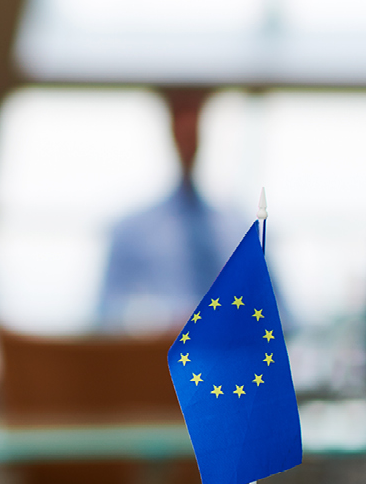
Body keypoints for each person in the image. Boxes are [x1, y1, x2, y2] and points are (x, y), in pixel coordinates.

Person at [98, 88, 252, 334]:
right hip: (152, 361)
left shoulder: (241, 228)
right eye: (180, 121)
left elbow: (281, 315)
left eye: (194, 122)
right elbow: (105, 315)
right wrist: (161, 319)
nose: (187, 133)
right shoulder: (130, 231)